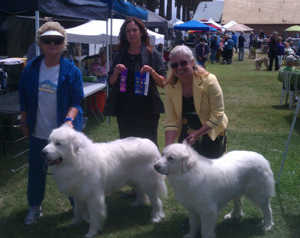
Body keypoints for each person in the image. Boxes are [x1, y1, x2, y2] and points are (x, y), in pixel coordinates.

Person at [19, 21, 84, 226]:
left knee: (72, 172)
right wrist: (24, 119)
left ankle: (79, 207)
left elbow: (76, 101)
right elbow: (23, 97)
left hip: (64, 136)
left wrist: (68, 120)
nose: (52, 43)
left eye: (57, 40)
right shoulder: (31, 68)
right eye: (47, 40)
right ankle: (35, 207)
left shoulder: (71, 71)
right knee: (37, 171)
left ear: (63, 43)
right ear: (40, 42)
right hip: (39, 132)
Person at [103, 17, 166, 198]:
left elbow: (163, 82)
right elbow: (111, 81)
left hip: (146, 109)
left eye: (134, 30)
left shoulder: (152, 54)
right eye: (128, 31)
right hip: (125, 109)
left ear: (141, 32)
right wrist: (115, 73)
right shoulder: (120, 54)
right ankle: (136, 187)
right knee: (128, 150)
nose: (131, 34)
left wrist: (152, 72)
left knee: (148, 148)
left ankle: (153, 185)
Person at [164, 44, 228, 165]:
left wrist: (197, 134)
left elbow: (217, 115)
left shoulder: (209, 80)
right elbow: (171, 119)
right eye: (174, 65)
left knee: (212, 174)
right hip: (186, 136)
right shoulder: (170, 86)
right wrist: (168, 149)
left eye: (183, 63)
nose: (179, 68)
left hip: (212, 132)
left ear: (192, 62)